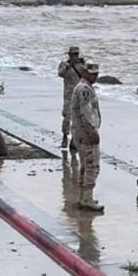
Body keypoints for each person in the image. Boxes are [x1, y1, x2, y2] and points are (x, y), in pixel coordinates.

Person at [71, 63, 104, 212]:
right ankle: (87, 199)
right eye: (92, 73)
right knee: (92, 166)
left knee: (84, 165)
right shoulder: (84, 89)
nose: (95, 76)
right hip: (85, 132)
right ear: (84, 72)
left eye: (96, 74)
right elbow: (86, 112)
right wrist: (91, 131)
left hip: (80, 132)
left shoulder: (83, 87)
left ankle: (83, 197)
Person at [58, 46, 85, 149]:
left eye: (76, 54)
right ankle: (65, 136)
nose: (75, 56)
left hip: (79, 95)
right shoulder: (64, 65)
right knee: (67, 117)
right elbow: (60, 74)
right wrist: (69, 66)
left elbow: (88, 76)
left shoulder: (82, 65)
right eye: (73, 54)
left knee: (77, 119)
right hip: (68, 95)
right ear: (69, 55)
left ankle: (74, 140)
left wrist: (83, 65)